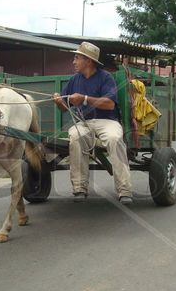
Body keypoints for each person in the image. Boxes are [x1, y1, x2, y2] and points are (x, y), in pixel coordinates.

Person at [52, 42, 133, 205]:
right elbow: (64, 108)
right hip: (84, 122)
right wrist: (58, 101)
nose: (73, 62)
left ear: (88, 61)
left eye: (77, 58)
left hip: (107, 121)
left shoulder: (105, 77)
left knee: (114, 138)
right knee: (75, 136)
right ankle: (79, 188)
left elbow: (110, 104)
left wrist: (84, 99)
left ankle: (124, 190)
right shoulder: (74, 80)